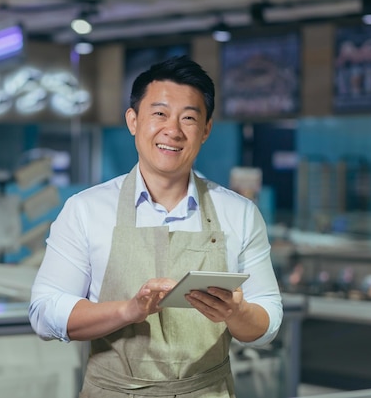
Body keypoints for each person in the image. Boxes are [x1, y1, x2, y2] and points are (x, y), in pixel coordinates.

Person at [29, 55, 283, 397]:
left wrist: (237, 313)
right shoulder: (85, 210)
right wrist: (128, 310)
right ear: (133, 120)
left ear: (206, 130)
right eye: (159, 113)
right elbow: (45, 313)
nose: (173, 131)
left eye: (189, 118)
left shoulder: (239, 213)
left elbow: (267, 319)